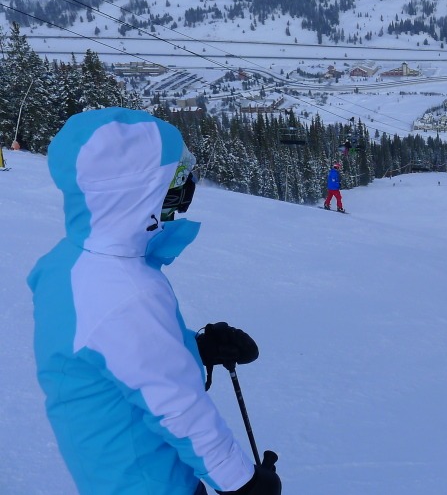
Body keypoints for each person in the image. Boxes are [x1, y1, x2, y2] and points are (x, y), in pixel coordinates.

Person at [28, 108, 281, 495]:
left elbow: (113, 353)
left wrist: (192, 348)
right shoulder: (126, 290)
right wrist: (241, 482)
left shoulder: (71, 262)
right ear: (136, 194)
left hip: (109, 471)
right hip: (149, 483)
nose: (187, 190)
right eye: (177, 179)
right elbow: (178, 408)